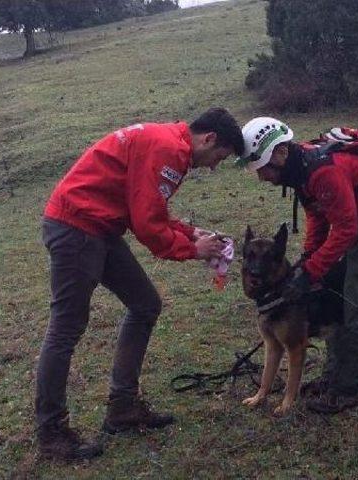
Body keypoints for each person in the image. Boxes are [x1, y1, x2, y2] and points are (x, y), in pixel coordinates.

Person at [36, 108, 244, 461]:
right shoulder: (169, 151)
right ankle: (51, 432)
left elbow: (148, 210)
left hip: (99, 227)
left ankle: (123, 407)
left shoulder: (167, 141)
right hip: (77, 227)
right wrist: (193, 250)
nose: (212, 167)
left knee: (145, 304)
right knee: (66, 328)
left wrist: (192, 233)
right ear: (209, 138)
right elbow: (148, 226)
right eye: (218, 158)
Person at [237, 117, 358, 414]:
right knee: (334, 291)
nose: (262, 177)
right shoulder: (301, 171)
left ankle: (347, 390)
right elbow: (318, 216)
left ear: (280, 153)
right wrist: (308, 259)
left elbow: (345, 230)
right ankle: (334, 376)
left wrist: (311, 272)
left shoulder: (322, 172)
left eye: (264, 169)